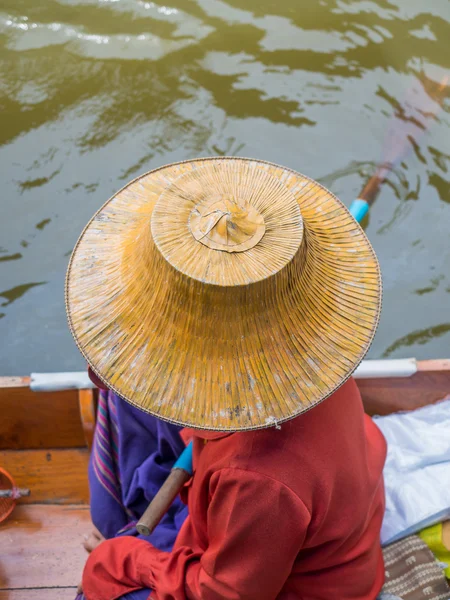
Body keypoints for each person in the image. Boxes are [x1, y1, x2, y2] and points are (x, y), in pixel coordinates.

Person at [67, 158, 386, 599]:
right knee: (126, 395)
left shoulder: (258, 479)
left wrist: (126, 559)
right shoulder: (305, 358)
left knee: (97, 585)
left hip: (282, 579)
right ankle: (142, 535)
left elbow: (224, 594)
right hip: (263, 510)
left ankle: (135, 539)